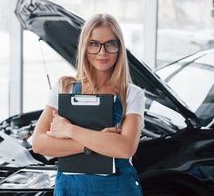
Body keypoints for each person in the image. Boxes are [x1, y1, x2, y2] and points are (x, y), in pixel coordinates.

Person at [32, 13, 145, 196]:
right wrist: (99, 143)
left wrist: (69, 131)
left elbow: (125, 148)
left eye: (110, 44)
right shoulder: (64, 87)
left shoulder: (132, 94)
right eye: (94, 44)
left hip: (119, 189)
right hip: (70, 190)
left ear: (119, 48)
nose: (102, 52)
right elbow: (39, 144)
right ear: (85, 46)